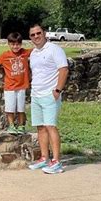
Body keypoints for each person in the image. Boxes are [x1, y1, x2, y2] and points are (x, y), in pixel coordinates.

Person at [28, 24, 69, 174]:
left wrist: (58, 90)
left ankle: (56, 161)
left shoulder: (54, 49)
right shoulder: (33, 53)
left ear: (44, 33)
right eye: (33, 35)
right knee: (40, 127)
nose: (36, 36)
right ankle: (44, 158)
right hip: (36, 94)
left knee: (50, 126)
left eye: (39, 33)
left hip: (50, 94)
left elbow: (63, 69)